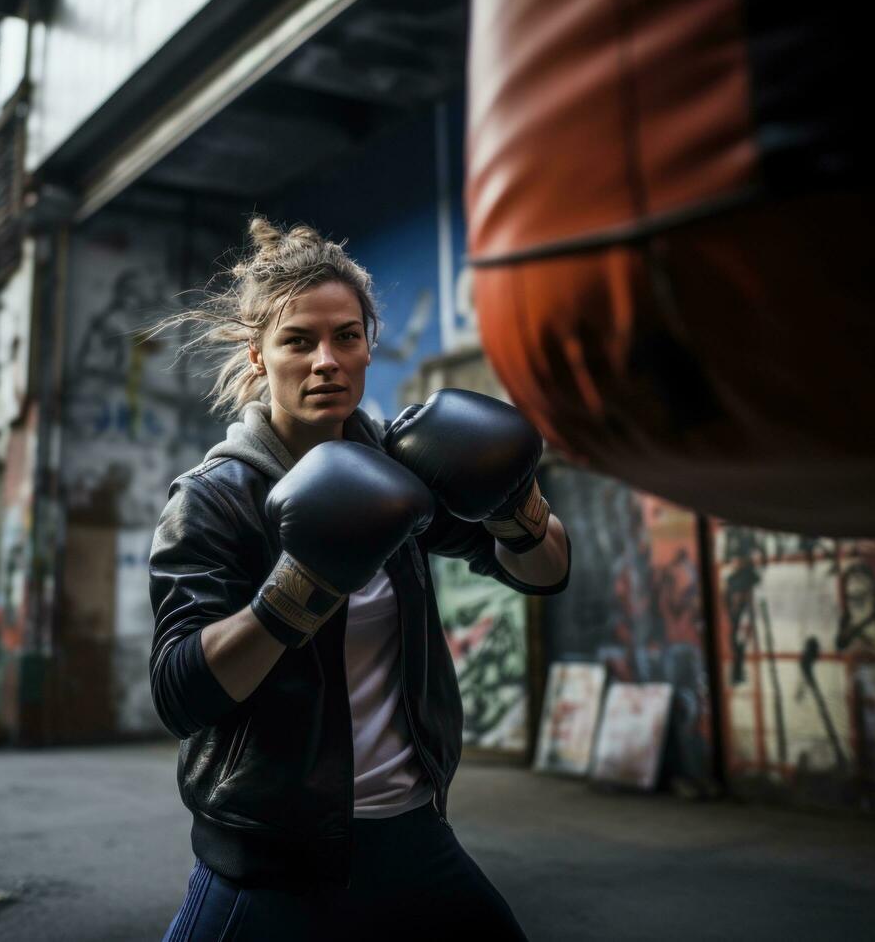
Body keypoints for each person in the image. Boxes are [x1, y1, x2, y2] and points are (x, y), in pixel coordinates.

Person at [149, 217, 571, 941]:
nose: (326, 361)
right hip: (271, 855)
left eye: (347, 336)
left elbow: (545, 573)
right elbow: (180, 692)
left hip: (412, 830)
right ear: (259, 354)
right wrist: (300, 585)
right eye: (298, 341)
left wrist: (518, 505)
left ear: (369, 347)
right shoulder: (214, 497)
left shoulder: (402, 473)